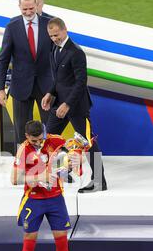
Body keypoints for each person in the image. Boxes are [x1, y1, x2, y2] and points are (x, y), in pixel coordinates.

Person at [11, 120, 79, 251]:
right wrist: (38, 177)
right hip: (34, 199)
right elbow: (14, 178)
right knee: (29, 243)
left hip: (56, 199)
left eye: (41, 139)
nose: (39, 144)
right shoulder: (23, 150)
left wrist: (74, 161)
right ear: (27, 137)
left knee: (62, 243)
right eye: (35, 141)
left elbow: (72, 154)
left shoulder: (55, 141)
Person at [41, 17, 107, 192]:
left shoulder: (76, 52)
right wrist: (50, 93)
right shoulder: (54, 49)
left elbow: (80, 82)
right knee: (52, 137)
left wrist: (68, 104)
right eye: (51, 36)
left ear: (65, 30)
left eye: (56, 35)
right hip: (60, 104)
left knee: (88, 142)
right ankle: (62, 172)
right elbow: (58, 79)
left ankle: (100, 181)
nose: (54, 38)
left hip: (76, 106)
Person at [0, 0, 53, 149]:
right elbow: (3, 58)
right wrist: (0, 89)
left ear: (37, 5)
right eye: (24, 9)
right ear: (19, 7)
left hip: (46, 87)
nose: (28, 13)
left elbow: (58, 56)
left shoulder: (49, 24)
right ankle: (22, 166)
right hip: (21, 86)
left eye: (31, 9)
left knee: (52, 128)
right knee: (21, 130)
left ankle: (51, 165)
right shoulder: (12, 26)